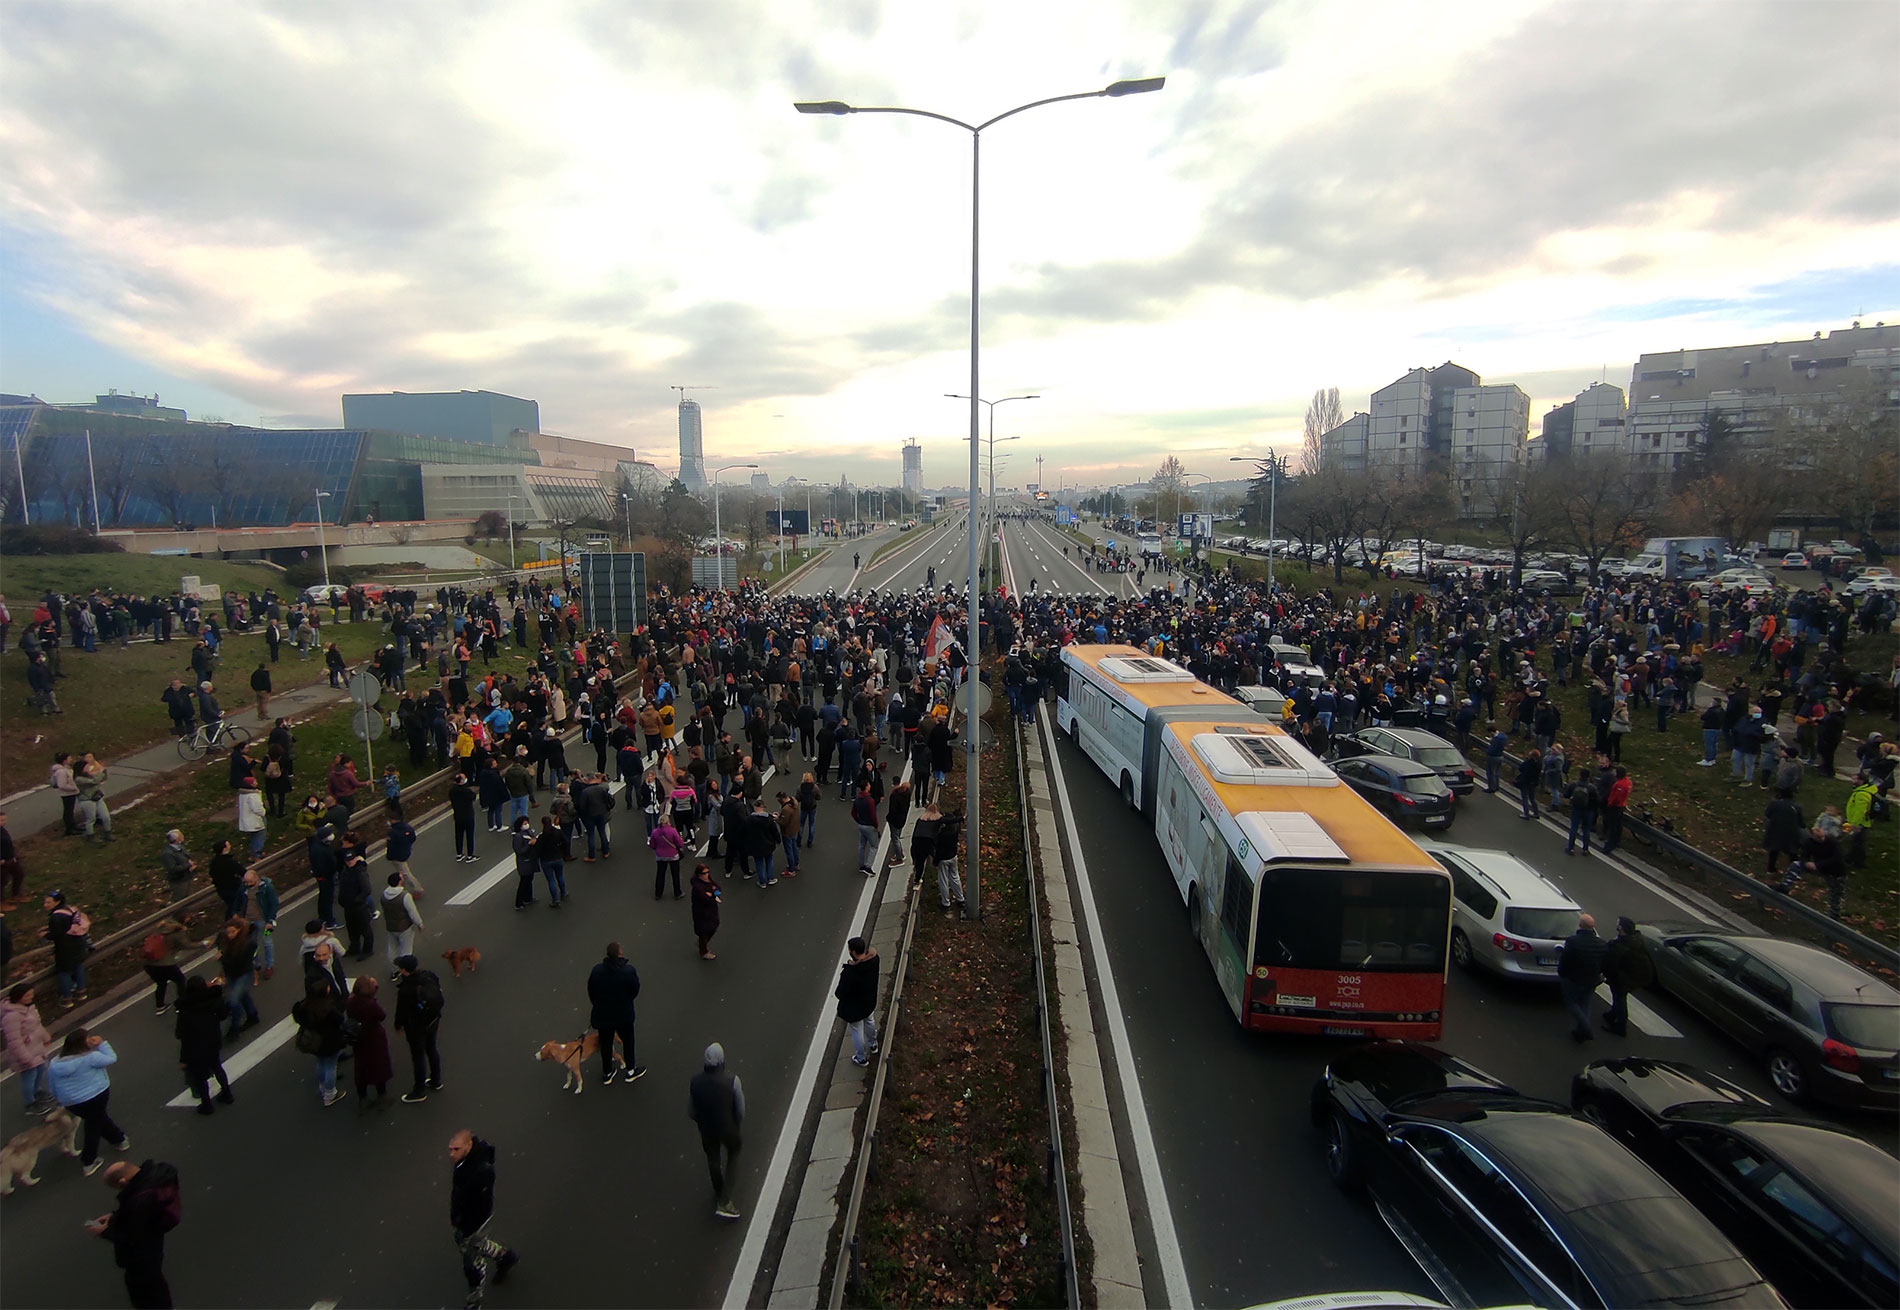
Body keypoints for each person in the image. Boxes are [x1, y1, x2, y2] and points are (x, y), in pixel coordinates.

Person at [86, 1158, 183, 1310]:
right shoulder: (154, 1179)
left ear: (123, 1182)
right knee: (156, 1286)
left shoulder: (140, 1203)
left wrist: (105, 1231)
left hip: (142, 1259)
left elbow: (132, 1237)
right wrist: (114, 1217)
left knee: (147, 1296)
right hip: (154, 1246)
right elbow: (132, 1216)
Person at [449, 1130, 518, 1308]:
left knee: (472, 1264)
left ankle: (474, 1301)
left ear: (469, 1145)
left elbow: (475, 1203)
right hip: (469, 1221)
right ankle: (505, 1257)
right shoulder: (467, 1163)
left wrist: (464, 1225)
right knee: (478, 1245)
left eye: (456, 1149)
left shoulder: (479, 1172)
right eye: (451, 1149)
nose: (452, 1154)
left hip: (473, 1223)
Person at [48, 1028, 128, 1173]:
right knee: (94, 1126)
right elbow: (112, 1058)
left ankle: (119, 1139)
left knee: (97, 1119)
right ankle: (89, 1161)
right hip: (96, 1095)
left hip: (71, 1102)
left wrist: (60, 1098)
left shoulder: (55, 1063)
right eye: (87, 1038)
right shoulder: (91, 1057)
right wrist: (102, 1043)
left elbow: (52, 1084)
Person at [687, 1042, 745, 1221]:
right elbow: (740, 1109)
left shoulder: (695, 1082)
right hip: (728, 1128)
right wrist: (736, 1125)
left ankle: (718, 1190)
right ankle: (725, 1201)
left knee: (713, 1159)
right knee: (733, 1155)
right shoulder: (732, 1081)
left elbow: (691, 1111)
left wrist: (702, 1121)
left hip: (707, 1129)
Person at [172, 976, 233, 1115]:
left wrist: (183, 1059)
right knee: (217, 1067)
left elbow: (182, 1035)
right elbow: (223, 1015)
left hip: (195, 1048)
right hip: (213, 1040)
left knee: (200, 1077)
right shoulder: (213, 999)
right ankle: (227, 1094)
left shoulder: (185, 1010)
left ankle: (207, 1105)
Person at [290, 969, 350, 1108]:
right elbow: (340, 1021)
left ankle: (323, 1087)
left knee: (320, 1063)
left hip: (313, 1041)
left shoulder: (302, 1007)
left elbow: (298, 1018)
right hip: (330, 1042)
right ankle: (330, 1094)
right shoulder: (328, 1009)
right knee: (330, 1066)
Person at [587, 941, 643, 1085]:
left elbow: (591, 991)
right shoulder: (628, 971)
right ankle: (631, 1070)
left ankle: (607, 1072)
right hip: (623, 1015)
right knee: (628, 1041)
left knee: (605, 1043)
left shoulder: (597, 971)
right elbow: (634, 990)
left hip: (603, 1015)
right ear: (619, 953)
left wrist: (598, 1004)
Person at [395, 954, 446, 1103]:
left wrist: (398, 1025)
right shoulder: (428, 975)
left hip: (416, 1027)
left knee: (418, 1056)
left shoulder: (406, 989)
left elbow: (401, 1011)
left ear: (404, 970)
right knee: (431, 1048)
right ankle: (436, 1080)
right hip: (433, 1020)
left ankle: (419, 1090)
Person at [1, 981, 57, 1113]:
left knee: (41, 1069)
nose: (31, 997)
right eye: (27, 995)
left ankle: (36, 1091)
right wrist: (25, 1057)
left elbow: (38, 1025)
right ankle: (30, 1103)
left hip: (36, 1047)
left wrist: (45, 1037)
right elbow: (14, 1041)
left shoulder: (30, 1008)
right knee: (29, 1076)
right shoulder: (11, 1016)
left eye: (31, 994)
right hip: (25, 1051)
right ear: (18, 997)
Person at [1599, 916, 1654, 1037]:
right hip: (1634, 976)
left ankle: (1620, 1026)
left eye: (1618, 923)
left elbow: (1610, 963)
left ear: (1621, 928)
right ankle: (1611, 1015)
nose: (1616, 925)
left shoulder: (1619, 945)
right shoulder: (1636, 941)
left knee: (1620, 999)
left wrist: (1605, 974)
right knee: (1619, 997)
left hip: (1622, 978)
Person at [1556, 914, 1607, 1043]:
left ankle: (1586, 1029)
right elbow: (1605, 962)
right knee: (1585, 1004)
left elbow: (1565, 960)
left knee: (1571, 1003)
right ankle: (1580, 1032)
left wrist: (1562, 973)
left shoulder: (1573, 941)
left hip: (1574, 979)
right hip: (1592, 979)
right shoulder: (1602, 943)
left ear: (1580, 925)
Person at [347, 975, 395, 1110]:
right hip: (374, 1038)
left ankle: (363, 1098)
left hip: (359, 1038)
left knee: (361, 1067)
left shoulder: (351, 1002)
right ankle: (382, 1095)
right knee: (379, 1065)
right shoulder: (371, 1004)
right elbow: (382, 1016)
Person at [834, 936, 881, 1067]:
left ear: (853, 952)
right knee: (870, 1021)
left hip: (854, 1008)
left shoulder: (850, 973)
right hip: (869, 1001)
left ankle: (861, 1057)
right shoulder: (874, 960)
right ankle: (873, 1044)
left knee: (857, 1031)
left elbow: (839, 993)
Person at [45, 890, 91, 1006]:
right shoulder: (70, 909)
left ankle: (67, 999)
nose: (45, 905)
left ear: (57, 902)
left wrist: (45, 935)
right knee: (78, 967)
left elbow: (56, 934)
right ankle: (81, 992)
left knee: (63, 972)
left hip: (65, 948)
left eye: (48, 903)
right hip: (79, 943)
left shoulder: (55, 917)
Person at [381, 872, 425, 971]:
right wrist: (419, 923)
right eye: (401, 878)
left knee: (392, 950)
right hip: (405, 927)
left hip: (391, 927)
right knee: (406, 950)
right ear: (399, 882)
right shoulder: (404, 896)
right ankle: (406, 969)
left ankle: (394, 970)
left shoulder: (384, 895)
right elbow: (412, 911)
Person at [933, 805, 966, 909]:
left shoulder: (942, 834)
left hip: (943, 859)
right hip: (953, 856)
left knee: (943, 880)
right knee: (955, 877)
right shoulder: (954, 831)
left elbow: (939, 849)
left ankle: (945, 902)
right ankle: (960, 898)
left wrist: (935, 860)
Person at [649, 812, 685, 901]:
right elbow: (680, 844)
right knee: (675, 874)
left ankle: (658, 893)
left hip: (660, 856)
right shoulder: (672, 831)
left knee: (660, 874)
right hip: (673, 855)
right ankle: (677, 893)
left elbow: (652, 845)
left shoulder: (655, 832)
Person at [690, 863, 721, 960]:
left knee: (713, 926)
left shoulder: (709, 881)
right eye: (704, 873)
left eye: (708, 872)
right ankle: (703, 951)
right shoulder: (697, 887)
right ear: (699, 874)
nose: (707, 875)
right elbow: (705, 898)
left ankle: (703, 943)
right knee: (704, 930)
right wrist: (713, 895)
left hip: (711, 910)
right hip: (702, 912)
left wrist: (712, 894)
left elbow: (718, 889)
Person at [1562, 772, 1597, 857]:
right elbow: (1597, 800)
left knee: (1574, 827)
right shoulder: (1592, 787)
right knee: (1586, 829)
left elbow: (1566, 795)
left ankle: (1570, 848)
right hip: (1588, 811)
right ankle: (1585, 849)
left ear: (1580, 775)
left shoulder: (1574, 784)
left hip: (1576, 809)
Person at [510, 816, 538, 910]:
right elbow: (519, 851)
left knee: (529, 880)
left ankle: (528, 898)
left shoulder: (529, 832)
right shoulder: (518, 837)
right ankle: (518, 902)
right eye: (524, 823)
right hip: (524, 862)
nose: (526, 825)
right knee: (524, 882)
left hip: (530, 860)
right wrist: (529, 844)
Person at [449, 771, 478, 863]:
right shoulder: (466, 791)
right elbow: (473, 797)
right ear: (461, 781)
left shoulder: (452, 791)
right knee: (469, 836)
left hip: (458, 816)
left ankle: (459, 854)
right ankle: (470, 855)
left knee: (458, 835)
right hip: (468, 815)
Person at [1514, 748, 1541, 820]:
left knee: (1524, 798)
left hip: (1525, 782)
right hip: (1533, 783)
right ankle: (1536, 812)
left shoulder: (1529, 763)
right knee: (1532, 798)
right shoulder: (1539, 763)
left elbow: (1521, 768)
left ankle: (1526, 813)